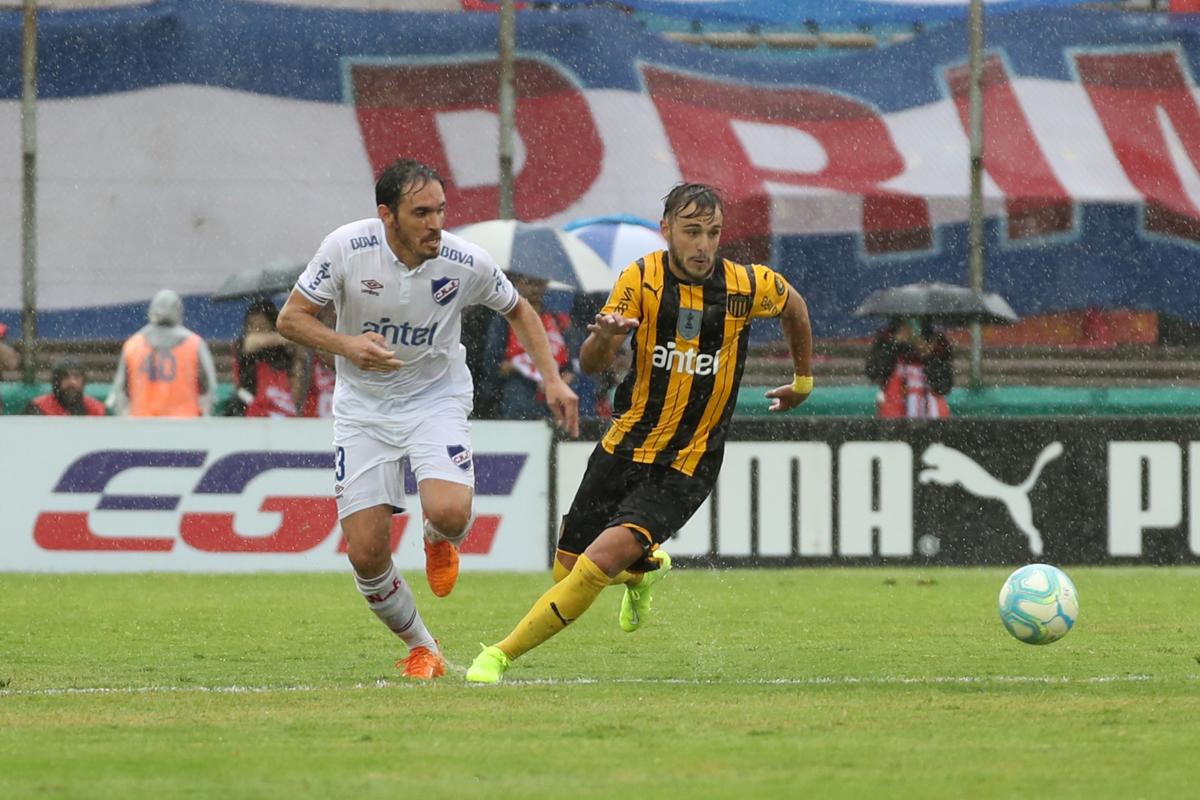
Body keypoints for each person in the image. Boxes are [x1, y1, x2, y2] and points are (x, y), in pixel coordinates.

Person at [466, 182, 814, 683]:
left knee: (594, 566)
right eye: (691, 232)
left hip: (688, 462)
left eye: (712, 233)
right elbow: (590, 364)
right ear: (666, 230)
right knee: (567, 573)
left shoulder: (745, 286)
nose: (703, 245)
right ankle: (641, 570)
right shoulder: (642, 279)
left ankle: (498, 655)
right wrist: (606, 338)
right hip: (625, 444)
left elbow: (794, 307)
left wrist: (803, 381)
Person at [276, 158, 579, 680]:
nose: (436, 223)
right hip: (364, 410)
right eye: (421, 213)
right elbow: (290, 319)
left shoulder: (466, 261)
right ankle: (423, 646)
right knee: (367, 554)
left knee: (451, 510)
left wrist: (552, 379)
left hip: (434, 399)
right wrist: (348, 344)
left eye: (440, 210)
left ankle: (440, 537)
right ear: (386, 215)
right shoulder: (347, 248)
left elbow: (520, 311)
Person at [107, 289, 218, 417]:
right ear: (179, 311)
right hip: (184, 426)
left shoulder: (133, 345)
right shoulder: (195, 344)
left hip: (141, 426)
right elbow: (209, 391)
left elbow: (120, 394)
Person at [481, 273, 575, 420]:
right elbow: (493, 365)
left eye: (540, 284)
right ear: (518, 284)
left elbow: (569, 367)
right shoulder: (504, 320)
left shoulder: (557, 321)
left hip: (553, 401)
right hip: (517, 397)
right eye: (530, 283)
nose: (535, 289)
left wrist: (555, 382)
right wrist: (522, 369)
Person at [865, 316, 953, 418]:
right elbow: (873, 372)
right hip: (894, 417)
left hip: (931, 419)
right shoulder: (887, 338)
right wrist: (894, 345)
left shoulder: (937, 343)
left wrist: (929, 357)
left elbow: (943, 388)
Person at [225, 298, 299, 417]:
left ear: (272, 327)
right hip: (247, 409)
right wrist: (289, 338)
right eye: (252, 326)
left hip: (281, 413)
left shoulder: (282, 353)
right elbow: (252, 342)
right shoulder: (243, 345)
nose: (256, 331)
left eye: (262, 327)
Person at [24, 356, 107, 416]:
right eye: (65, 376)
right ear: (56, 381)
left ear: (83, 381)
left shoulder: (96, 409)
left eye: (76, 376)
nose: (72, 382)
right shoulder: (38, 407)